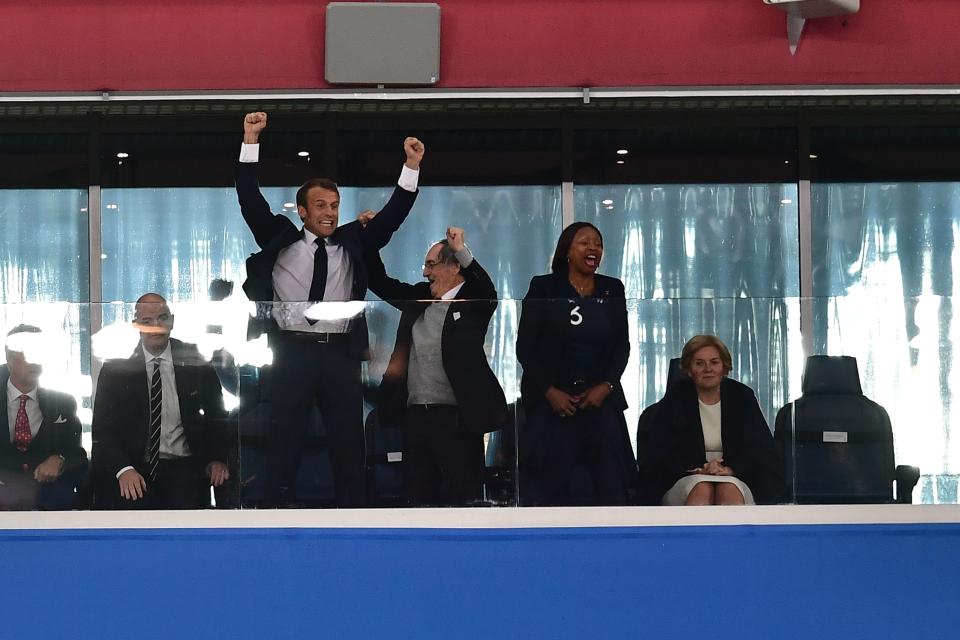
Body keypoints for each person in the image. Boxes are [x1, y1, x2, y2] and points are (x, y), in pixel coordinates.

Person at [236, 111, 424, 507]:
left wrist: (410, 167)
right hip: (291, 350)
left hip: (340, 351)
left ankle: (353, 513)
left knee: (347, 439)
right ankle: (273, 512)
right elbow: (250, 199)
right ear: (302, 211)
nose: (329, 212)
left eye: (335, 205)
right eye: (320, 205)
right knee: (284, 436)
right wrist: (251, 140)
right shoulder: (282, 238)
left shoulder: (352, 241)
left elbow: (390, 220)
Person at [367, 227, 508, 506]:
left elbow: (487, 290)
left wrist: (461, 250)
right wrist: (370, 238)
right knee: (419, 497)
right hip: (416, 418)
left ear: (454, 266)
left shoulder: (472, 302)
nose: (424, 273)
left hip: (457, 419)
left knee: (461, 498)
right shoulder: (420, 298)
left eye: (431, 265)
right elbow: (381, 284)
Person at [516, 222, 635, 505]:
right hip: (553, 403)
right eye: (585, 242)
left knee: (609, 484)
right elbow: (526, 348)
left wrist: (606, 386)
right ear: (567, 250)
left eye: (598, 243)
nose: (593, 248)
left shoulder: (612, 288)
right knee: (551, 487)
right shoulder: (544, 287)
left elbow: (622, 346)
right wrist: (549, 391)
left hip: (599, 399)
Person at [92, 294, 231, 509]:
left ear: (172, 321)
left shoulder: (194, 360)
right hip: (135, 466)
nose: (156, 326)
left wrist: (218, 458)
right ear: (136, 325)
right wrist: (123, 469)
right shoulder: (116, 369)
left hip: (185, 465)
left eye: (162, 318)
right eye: (147, 321)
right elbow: (103, 430)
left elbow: (218, 415)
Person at [642, 334, 785, 505]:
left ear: (725, 367)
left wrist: (731, 469)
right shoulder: (675, 398)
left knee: (728, 489)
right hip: (686, 477)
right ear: (689, 369)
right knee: (702, 488)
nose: (707, 369)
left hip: (737, 476)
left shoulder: (742, 397)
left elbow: (761, 450)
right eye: (699, 363)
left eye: (714, 362)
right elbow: (661, 453)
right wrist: (700, 469)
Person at [0, 325, 88, 510]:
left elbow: (78, 456)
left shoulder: (62, 403)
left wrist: (60, 460)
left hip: (47, 503)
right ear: (9, 357)